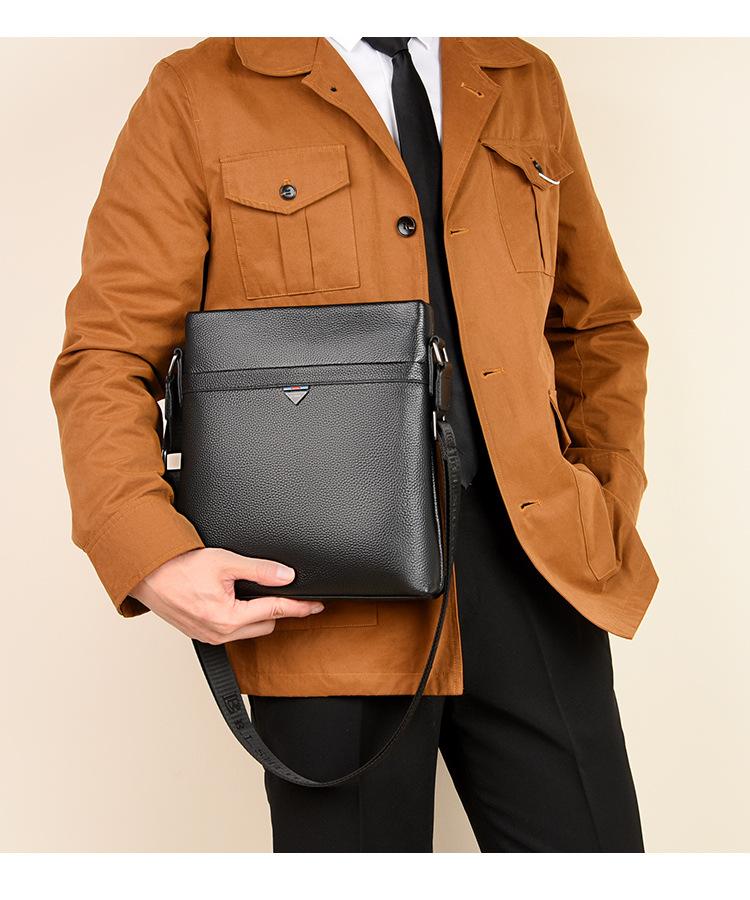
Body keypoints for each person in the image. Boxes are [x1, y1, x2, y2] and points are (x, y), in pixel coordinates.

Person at [50, 36, 658, 853]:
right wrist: (148, 552)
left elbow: (597, 327)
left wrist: (605, 503)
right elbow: (107, 352)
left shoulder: (520, 75)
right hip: (323, 600)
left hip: (539, 576)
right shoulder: (198, 90)